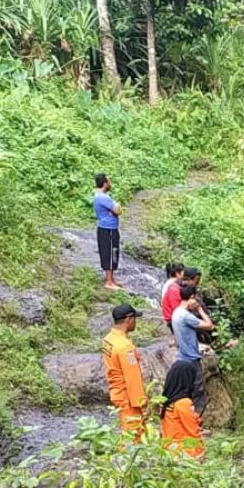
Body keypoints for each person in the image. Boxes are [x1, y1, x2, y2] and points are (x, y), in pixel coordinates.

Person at [101, 303, 146, 439]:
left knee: (126, 429)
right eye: (135, 319)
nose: (135, 322)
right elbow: (132, 377)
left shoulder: (108, 339)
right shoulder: (125, 347)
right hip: (127, 397)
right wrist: (141, 401)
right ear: (128, 319)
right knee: (133, 435)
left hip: (117, 393)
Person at [171, 283, 214, 416]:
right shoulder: (185, 316)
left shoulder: (176, 313)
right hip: (191, 358)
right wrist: (200, 309)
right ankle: (196, 424)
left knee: (186, 391)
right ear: (192, 297)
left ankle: (186, 420)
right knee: (198, 391)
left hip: (181, 357)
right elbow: (209, 325)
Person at [160, 360, 204, 459]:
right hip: (184, 454)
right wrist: (201, 455)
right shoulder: (184, 402)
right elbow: (193, 432)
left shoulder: (168, 401)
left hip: (169, 452)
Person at [93, 173, 123, 290]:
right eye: (109, 181)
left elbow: (115, 210)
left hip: (110, 228)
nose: (110, 183)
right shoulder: (103, 197)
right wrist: (116, 206)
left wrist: (115, 209)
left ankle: (112, 279)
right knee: (109, 253)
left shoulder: (102, 196)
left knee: (113, 252)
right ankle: (109, 282)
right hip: (107, 229)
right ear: (105, 183)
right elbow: (118, 210)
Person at [160, 264, 185, 331]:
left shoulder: (170, 282)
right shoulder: (173, 285)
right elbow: (175, 306)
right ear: (177, 273)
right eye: (183, 272)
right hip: (171, 317)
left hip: (170, 314)